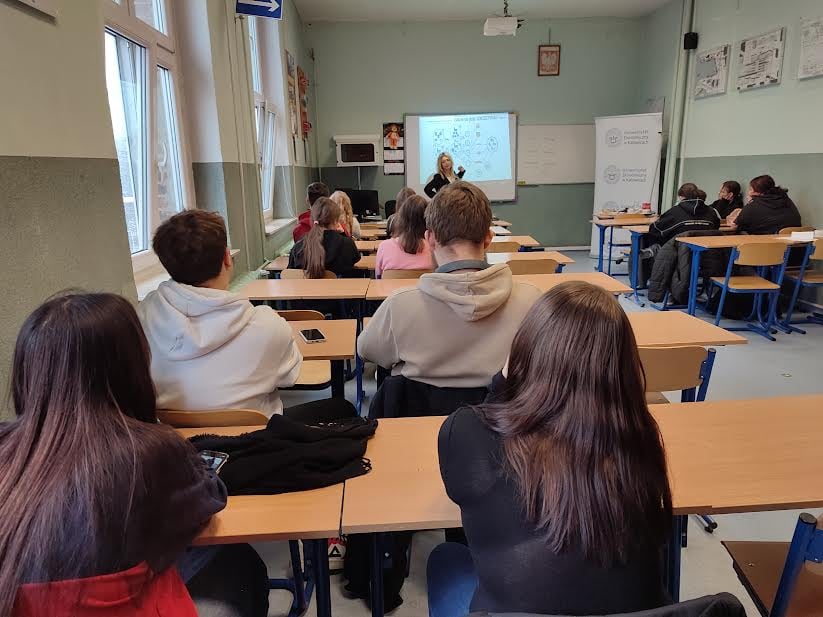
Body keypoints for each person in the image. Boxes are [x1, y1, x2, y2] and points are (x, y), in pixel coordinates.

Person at [0, 293, 269, 617]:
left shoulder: (8, 449)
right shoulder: (151, 451)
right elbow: (206, 504)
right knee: (240, 562)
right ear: (131, 366)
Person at [429, 282, 672, 617]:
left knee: (445, 559)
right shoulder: (640, 438)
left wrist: (503, 380)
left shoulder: (466, 431)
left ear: (524, 351)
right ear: (623, 368)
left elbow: (480, 443)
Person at [358, 181, 542, 388]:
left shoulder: (398, 307)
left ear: (430, 239)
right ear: (488, 238)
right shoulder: (533, 303)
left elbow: (366, 351)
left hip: (420, 409)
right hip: (504, 409)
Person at [139, 210, 301, 418]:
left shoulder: (139, 320)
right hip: (256, 436)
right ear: (227, 258)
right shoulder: (269, 325)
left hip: (173, 438)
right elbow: (290, 376)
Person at [288, 197, 361, 277]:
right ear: (336, 221)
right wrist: (343, 235)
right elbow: (355, 258)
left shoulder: (298, 247)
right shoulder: (346, 244)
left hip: (305, 285)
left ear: (312, 219)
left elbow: (290, 272)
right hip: (339, 285)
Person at [645, 182, 720, 249]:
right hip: (707, 254)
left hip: (676, 253)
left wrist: (655, 221)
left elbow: (655, 229)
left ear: (681, 197)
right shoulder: (712, 212)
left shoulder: (674, 212)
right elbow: (716, 227)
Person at [375, 194, 434, 277]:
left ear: (401, 218)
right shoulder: (434, 249)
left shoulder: (384, 246)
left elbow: (378, 277)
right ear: (427, 220)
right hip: (425, 286)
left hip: (390, 285)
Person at [727, 174, 802, 235]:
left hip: (765, 246)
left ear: (757, 192)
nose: (749, 192)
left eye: (750, 189)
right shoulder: (787, 200)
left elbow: (735, 226)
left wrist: (750, 203)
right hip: (797, 246)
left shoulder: (752, 206)